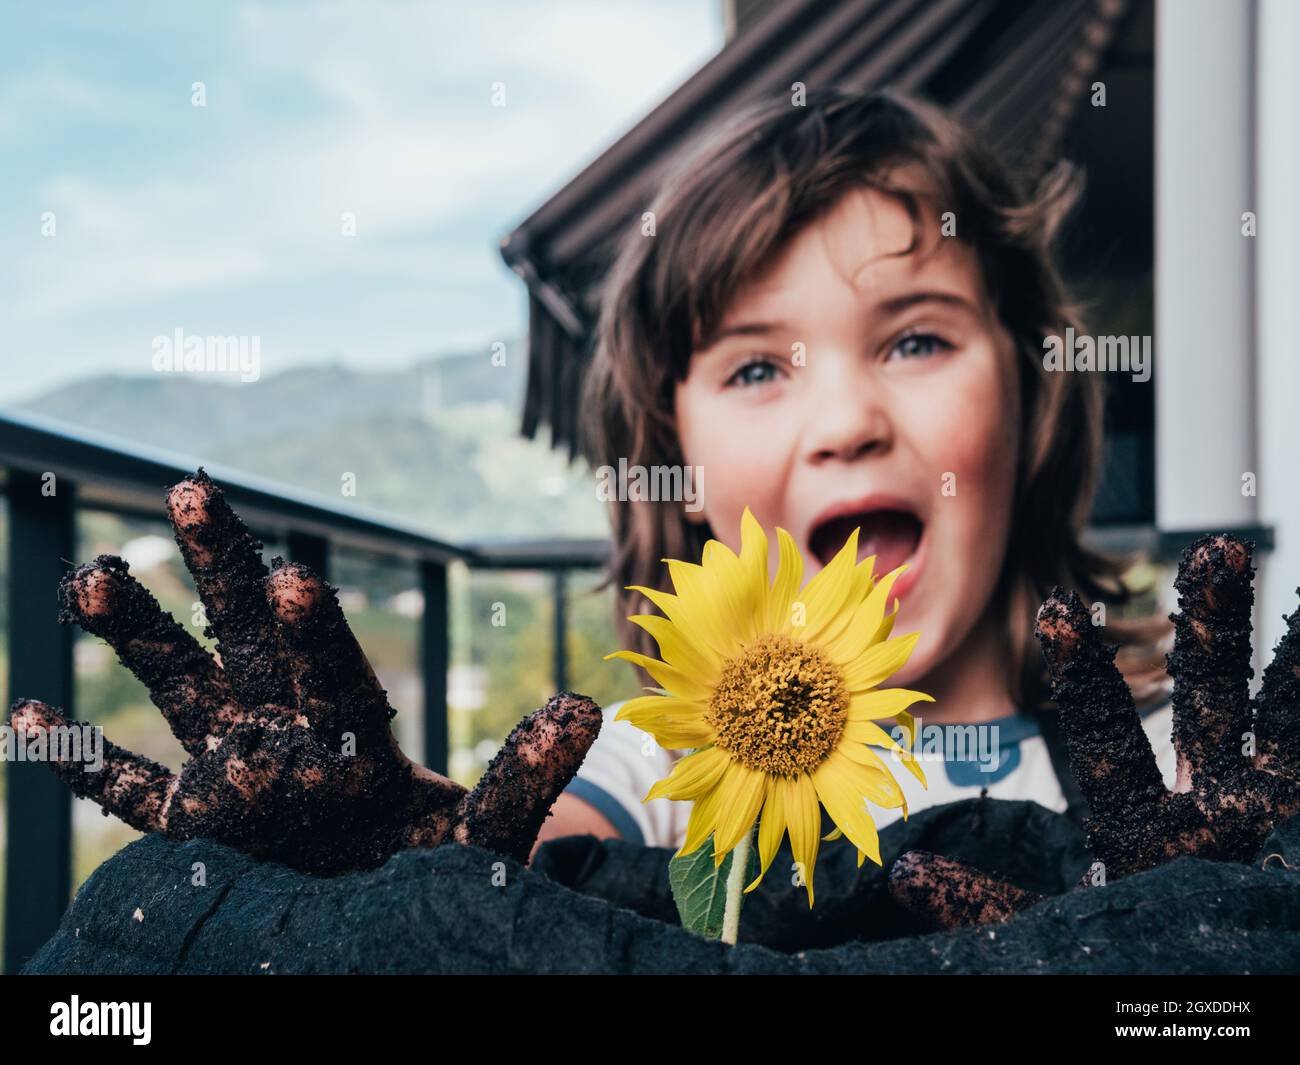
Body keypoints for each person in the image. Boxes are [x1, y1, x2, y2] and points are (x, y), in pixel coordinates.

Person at [533, 88, 1174, 855]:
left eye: (915, 343)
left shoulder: (1169, 766)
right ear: (676, 460)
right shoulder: (656, 772)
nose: (846, 424)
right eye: (758, 368)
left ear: (1031, 393)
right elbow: (515, 845)